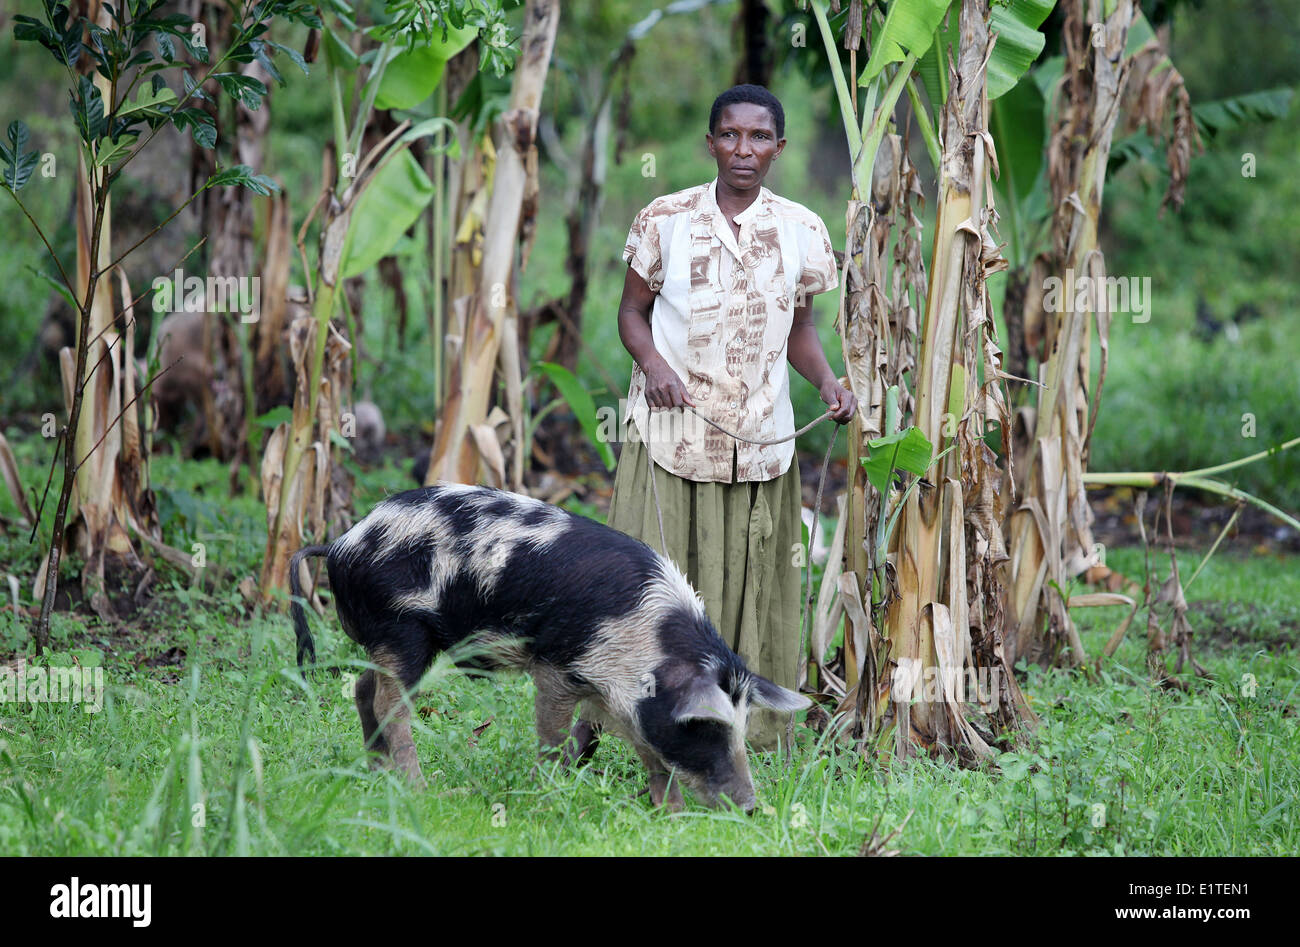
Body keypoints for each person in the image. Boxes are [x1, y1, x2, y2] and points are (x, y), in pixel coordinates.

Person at [585, 84, 857, 753]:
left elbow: (800, 332)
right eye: (730, 135)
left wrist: (827, 381)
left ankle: (744, 730)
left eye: (759, 137)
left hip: (760, 442)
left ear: (778, 148)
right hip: (673, 439)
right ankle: (635, 729)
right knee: (654, 592)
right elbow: (630, 313)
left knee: (751, 591)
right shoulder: (664, 219)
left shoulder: (801, 232)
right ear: (710, 143)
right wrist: (653, 365)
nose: (744, 150)